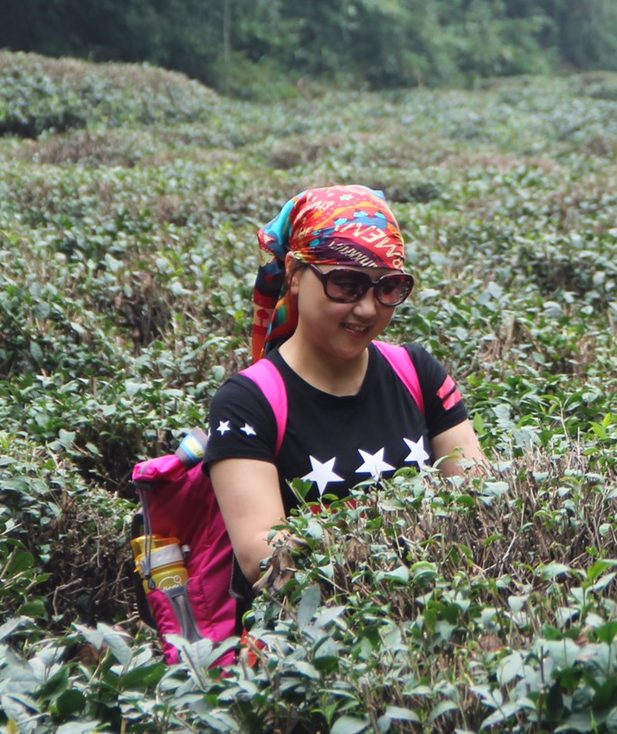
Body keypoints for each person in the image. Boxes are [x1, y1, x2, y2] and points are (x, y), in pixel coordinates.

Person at [204, 185, 483, 587]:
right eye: (347, 285)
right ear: (295, 274)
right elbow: (263, 561)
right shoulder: (245, 404)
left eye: (387, 287)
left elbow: (481, 502)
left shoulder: (419, 372)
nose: (368, 308)